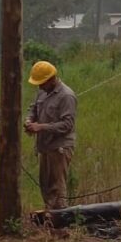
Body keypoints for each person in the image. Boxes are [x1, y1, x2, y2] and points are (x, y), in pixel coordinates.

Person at [25, 61, 77, 210]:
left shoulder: (67, 96)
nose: (39, 86)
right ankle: (50, 215)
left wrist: (40, 127)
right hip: (45, 146)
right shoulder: (42, 92)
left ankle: (61, 217)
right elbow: (33, 108)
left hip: (59, 147)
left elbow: (67, 125)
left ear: (51, 79)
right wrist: (29, 121)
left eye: (42, 83)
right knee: (46, 185)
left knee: (57, 188)